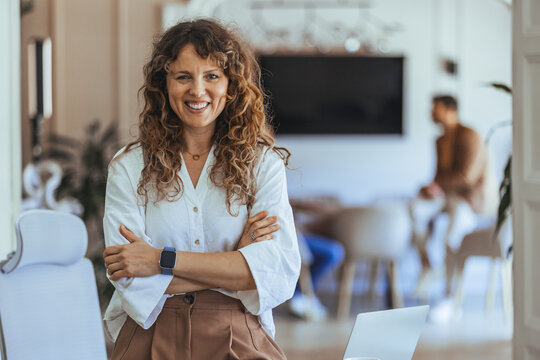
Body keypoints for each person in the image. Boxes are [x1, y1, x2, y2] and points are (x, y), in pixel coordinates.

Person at [101, 19, 300, 359]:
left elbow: (276, 272)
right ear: (164, 85)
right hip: (150, 332)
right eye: (183, 77)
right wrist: (235, 266)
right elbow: (130, 278)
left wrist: (159, 261)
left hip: (238, 332)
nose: (197, 90)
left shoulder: (262, 165)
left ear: (231, 85)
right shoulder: (128, 168)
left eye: (212, 76)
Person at [409, 95, 495, 297]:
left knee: (452, 235)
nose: (431, 113)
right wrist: (430, 187)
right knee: (415, 210)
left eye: (435, 108)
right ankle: (427, 264)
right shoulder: (440, 141)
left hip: (469, 199)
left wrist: (438, 184)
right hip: (445, 197)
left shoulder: (470, 136)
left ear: (450, 110)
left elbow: (467, 176)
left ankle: (451, 292)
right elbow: (439, 174)